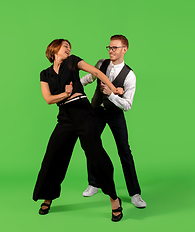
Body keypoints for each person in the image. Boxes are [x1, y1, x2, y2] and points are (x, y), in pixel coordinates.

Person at [33, 39, 124, 222]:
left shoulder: (73, 61)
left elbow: (96, 72)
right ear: (54, 49)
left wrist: (113, 89)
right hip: (65, 116)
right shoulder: (45, 74)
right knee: (53, 155)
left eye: (69, 46)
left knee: (96, 154)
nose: (68, 48)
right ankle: (48, 196)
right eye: (65, 46)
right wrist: (65, 94)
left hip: (82, 111)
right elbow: (49, 99)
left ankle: (114, 198)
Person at [80, 35, 147, 208]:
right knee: (91, 145)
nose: (111, 50)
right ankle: (93, 183)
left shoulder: (130, 76)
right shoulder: (101, 63)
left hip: (115, 114)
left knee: (124, 151)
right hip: (96, 112)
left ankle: (135, 193)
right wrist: (76, 87)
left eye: (115, 48)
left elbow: (128, 105)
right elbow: (89, 78)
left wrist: (111, 95)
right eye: (109, 47)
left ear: (124, 50)